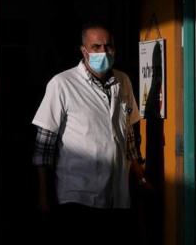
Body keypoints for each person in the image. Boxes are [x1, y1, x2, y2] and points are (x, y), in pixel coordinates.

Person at [32, 23, 149, 245]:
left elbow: (128, 134)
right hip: (77, 193)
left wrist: (139, 174)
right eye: (96, 47)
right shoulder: (63, 84)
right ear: (84, 51)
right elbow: (44, 146)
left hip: (116, 192)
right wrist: (43, 196)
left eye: (109, 46)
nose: (104, 52)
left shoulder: (122, 81)